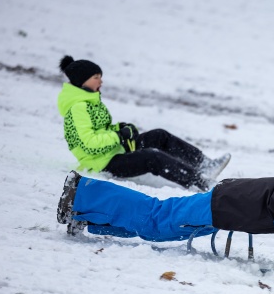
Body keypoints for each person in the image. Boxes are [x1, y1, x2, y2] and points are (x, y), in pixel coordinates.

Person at [57, 130, 274, 265]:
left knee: (160, 225)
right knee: (156, 221)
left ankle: (86, 216)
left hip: (231, 204)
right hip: (224, 205)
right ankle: (82, 193)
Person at [57, 55, 230, 192]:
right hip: (103, 163)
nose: (100, 81)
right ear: (82, 80)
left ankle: (205, 165)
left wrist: (121, 128)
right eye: (96, 77)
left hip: (113, 151)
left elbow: (101, 130)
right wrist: (118, 136)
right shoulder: (78, 108)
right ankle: (200, 182)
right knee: (152, 156)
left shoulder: (89, 102)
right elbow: (89, 144)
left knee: (159, 136)